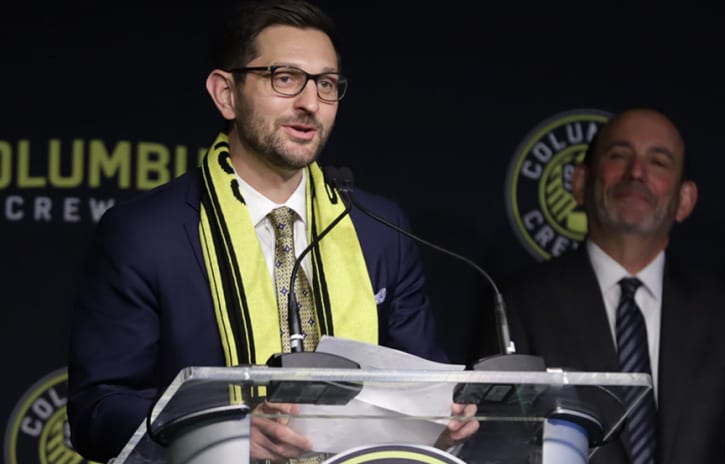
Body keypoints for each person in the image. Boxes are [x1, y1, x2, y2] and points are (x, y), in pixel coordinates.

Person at [67, 1, 476, 462]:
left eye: (325, 84)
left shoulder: (379, 229)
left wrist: (446, 421)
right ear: (226, 93)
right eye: (284, 78)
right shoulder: (146, 233)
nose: (309, 104)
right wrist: (223, 435)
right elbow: (98, 412)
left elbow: (423, 391)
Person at [501, 108, 725, 463]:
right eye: (619, 156)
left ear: (685, 199)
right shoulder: (522, 303)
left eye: (658, 162)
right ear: (580, 182)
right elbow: (500, 446)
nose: (636, 173)